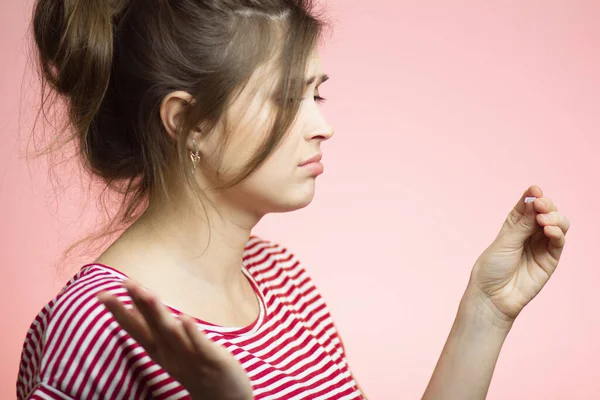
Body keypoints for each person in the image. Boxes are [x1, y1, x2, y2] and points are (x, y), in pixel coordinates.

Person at [16, 0, 570, 399]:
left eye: (317, 92)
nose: (323, 125)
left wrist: (486, 310)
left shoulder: (283, 282)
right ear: (189, 124)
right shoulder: (98, 327)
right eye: (287, 97)